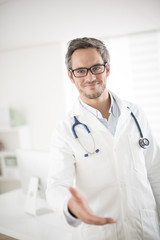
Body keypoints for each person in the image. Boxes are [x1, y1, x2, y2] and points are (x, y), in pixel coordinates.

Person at [46, 37, 160, 240]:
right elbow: (56, 186)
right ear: (71, 77)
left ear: (107, 69)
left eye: (96, 68)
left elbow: (155, 173)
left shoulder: (135, 113)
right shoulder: (64, 130)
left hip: (147, 229)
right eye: (81, 71)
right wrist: (69, 205)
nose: (90, 77)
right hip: (102, 233)